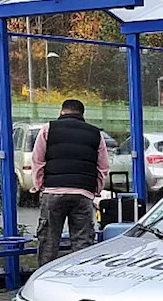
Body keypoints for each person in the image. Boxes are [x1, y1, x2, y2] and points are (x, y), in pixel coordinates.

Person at [31, 99, 109, 267]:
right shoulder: (96, 134)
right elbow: (103, 166)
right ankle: (80, 279)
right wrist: (95, 189)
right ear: (82, 114)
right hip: (82, 193)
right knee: (82, 243)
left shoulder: (48, 129)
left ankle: (44, 281)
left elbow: (37, 160)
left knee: (48, 243)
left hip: (53, 192)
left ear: (61, 111)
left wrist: (40, 186)